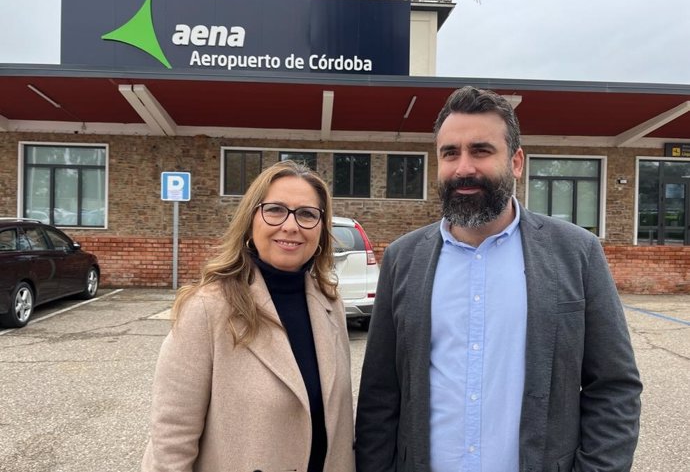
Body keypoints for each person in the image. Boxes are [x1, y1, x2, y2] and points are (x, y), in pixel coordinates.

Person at [355, 86, 642, 472]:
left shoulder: (576, 252)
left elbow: (613, 387)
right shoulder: (403, 258)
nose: (464, 168)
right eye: (450, 153)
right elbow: (380, 393)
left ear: (517, 161)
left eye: (481, 150)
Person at [142, 160, 355, 472]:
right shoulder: (206, 308)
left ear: (322, 229)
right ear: (251, 219)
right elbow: (170, 441)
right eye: (276, 210)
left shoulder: (330, 304)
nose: (291, 226)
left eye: (307, 214)